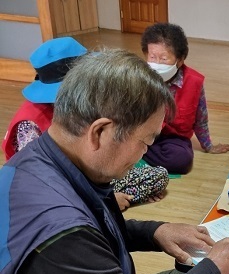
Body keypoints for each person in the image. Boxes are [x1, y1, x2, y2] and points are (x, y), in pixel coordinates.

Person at [0, 49, 229, 274]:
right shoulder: (62, 233)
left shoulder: (40, 157)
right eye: (145, 141)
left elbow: (95, 229)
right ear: (100, 132)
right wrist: (216, 269)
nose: (146, 153)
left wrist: (155, 231)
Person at [1, 37, 169, 211]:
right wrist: (103, 201)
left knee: (157, 175)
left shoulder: (84, 104)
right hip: (59, 189)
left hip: (87, 172)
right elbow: (39, 182)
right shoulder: (29, 124)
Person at [140, 22, 229, 175]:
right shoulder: (139, 76)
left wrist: (208, 145)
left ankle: (137, 152)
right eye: (152, 57)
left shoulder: (194, 82)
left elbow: (200, 118)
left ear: (180, 60)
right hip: (142, 132)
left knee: (181, 160)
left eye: (163, 59)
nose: (157, 64)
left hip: (172, 138)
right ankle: (136, 149)